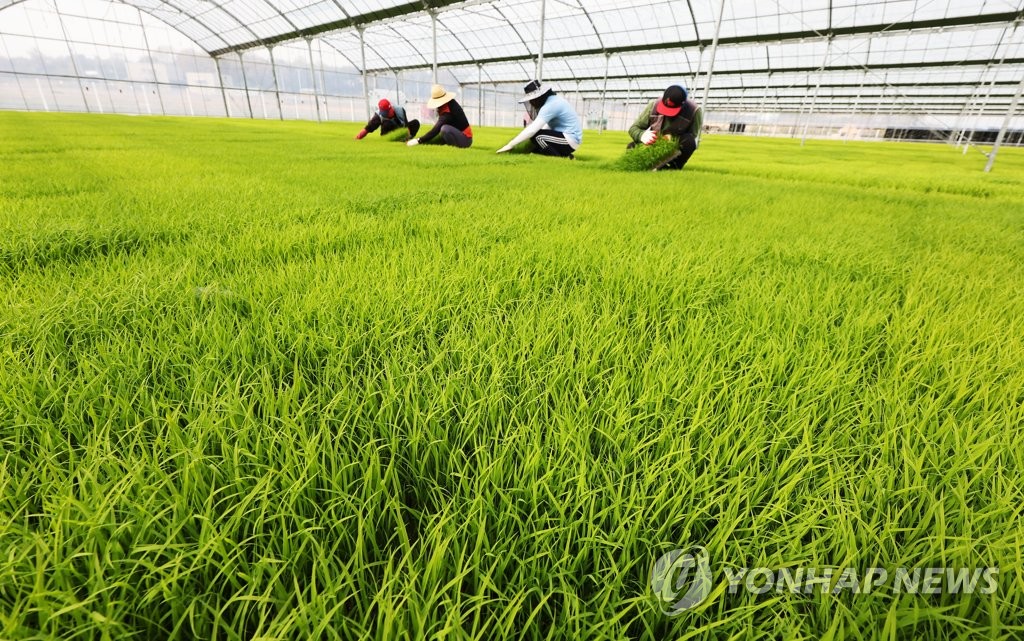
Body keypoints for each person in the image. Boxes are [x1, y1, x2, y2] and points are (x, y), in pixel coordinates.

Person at [497, 80, 582, 158]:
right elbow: (547, 127)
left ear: (539, 97)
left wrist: (510, 145)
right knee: (535, 150)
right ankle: (566, 155)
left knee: (538, 137)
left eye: (532, 100)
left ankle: (561, 158)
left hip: (571, 139)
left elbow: (533, 129)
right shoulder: (553, 101)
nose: (531, 103)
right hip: (564, 138)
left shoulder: (550, 105)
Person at [627, 84, 703, 170]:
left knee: (689, 142)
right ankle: (650, 165)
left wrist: (671, 141)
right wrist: (642, 135)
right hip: (653, 143)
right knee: (631, 146)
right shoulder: (653, 105)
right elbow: (634, 128)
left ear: (682, 105)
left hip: (674, 148)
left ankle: (673, 168)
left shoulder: (694, 111)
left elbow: (692, 135)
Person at [406, 85, 473, 148]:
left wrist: (418, 140)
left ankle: (455, 148)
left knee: (445, 129)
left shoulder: (447, 112)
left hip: (466, 139)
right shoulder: (449, 103)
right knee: (441, 133)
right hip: (457, 134)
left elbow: (436, 129)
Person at [355, 98, 420, 140]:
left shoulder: (400, 110)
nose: (385, 115)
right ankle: (387, 141)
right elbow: (368, 128)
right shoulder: (378, 116)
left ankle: (407, 140)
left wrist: (407, 140)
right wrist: (357, 138)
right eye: (383, 113)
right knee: (387, 123)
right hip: (388, 133)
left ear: (391, 108)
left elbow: (406, 127)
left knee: (415, 123)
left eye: (386, 112)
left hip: (399, 129)